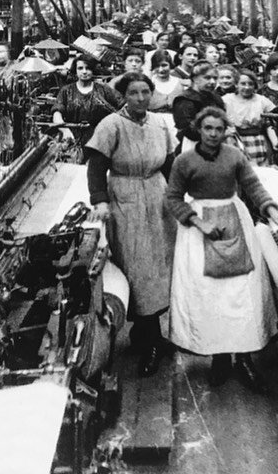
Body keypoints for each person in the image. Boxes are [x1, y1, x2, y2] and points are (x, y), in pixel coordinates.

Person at [166, 106, 278, 393]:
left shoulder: (235, 156)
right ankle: (219, 358)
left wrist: (271, 208)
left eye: (219, 129)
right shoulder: (184, 161)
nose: (214, 134)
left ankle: (243, 358)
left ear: (225, 130)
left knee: (242, 293)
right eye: (208, 129)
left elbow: (253, 185)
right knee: (209, 296)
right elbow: (173, 198)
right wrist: (197, 221)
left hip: (235, 220)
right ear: (199, 130)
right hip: (198, 230)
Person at [86, 72, 176, 377]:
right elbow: (96, 168)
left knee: (162, 264)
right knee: (137, 266)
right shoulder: (111, 125)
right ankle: (150, 341)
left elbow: (170, 163)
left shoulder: (161, 123)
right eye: (134, 93)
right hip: (125, 198)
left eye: (145, 92)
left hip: (157, 194)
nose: (140, 98)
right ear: (124, 96)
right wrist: (99, 200)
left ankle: (148, 335)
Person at [52, 54, 121, 150]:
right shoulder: (66, 91)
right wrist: (65, 130)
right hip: (73, 140)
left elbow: (118, 112)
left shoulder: (103, 89)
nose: (84, 72)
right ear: (75, 70)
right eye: (80, 68)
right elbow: (57, 113)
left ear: (93, 70)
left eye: (88, 68)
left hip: (99, 141)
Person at [223, 70, 275, 166]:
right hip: (235, 141)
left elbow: (270, 122)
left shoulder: (261, 100)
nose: (247, 87)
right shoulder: (227, 100)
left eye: (250, 84)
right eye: (243, 84)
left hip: (258, 141)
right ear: (236, 84)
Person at [172, 60, 224, 152]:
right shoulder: (185, 100)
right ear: (195, 79)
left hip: (217, 143)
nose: (212, 82)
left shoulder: (216, 98)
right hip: (193, 146)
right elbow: (189, 131)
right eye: (207, 78)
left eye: (215, 78)